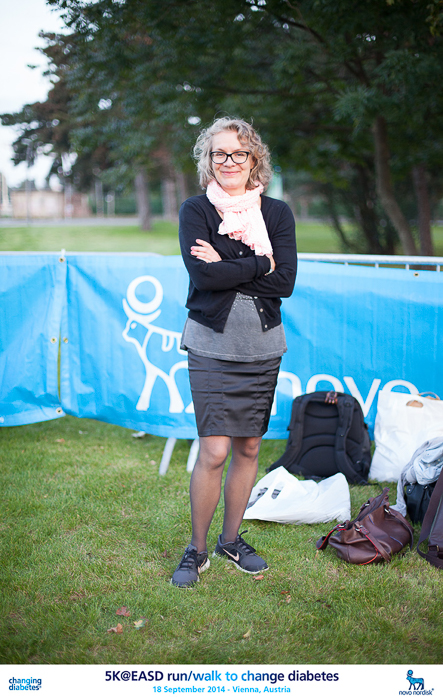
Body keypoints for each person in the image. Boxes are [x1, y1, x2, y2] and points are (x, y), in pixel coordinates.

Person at [171, 116, 297, 587]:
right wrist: (260, 262)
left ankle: (230, 540)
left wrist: (226, 262)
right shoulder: (196, 210)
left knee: (248, 446)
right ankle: (196, 549)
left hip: (262, 345)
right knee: (215, 449)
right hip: (210, 342)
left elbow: (285, 281)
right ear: (208, 159)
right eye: (219, 153)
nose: (229, 161)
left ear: (253, 159)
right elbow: (203, 277)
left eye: (238, 153)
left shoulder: (277, 214)